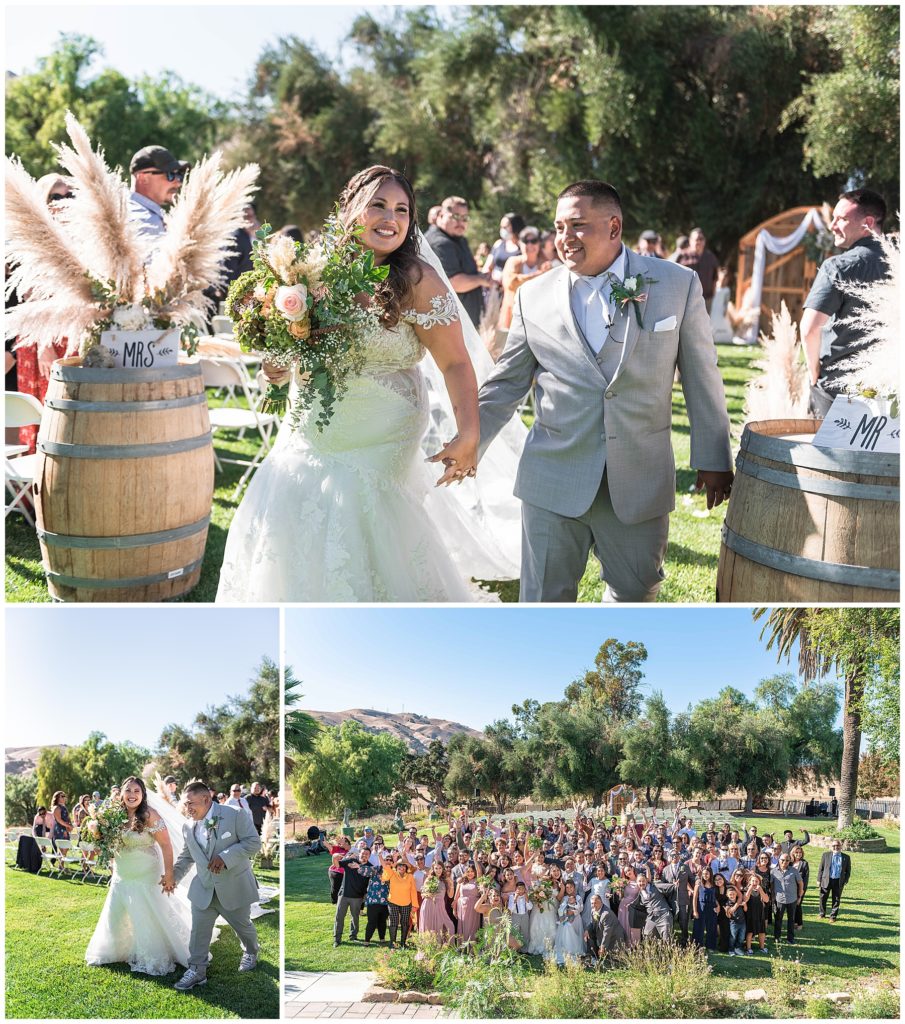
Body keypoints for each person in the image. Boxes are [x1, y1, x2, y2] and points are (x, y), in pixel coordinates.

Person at [217, 166, 518, 603]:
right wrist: (279, 364)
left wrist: (469, 433)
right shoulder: (310, 271)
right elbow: (300, 344)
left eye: (401, 209)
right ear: (349, 210)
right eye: (378, 204)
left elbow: (455, 362)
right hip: (310, 430)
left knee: (372, 530)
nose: (390, 218)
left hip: (381, 435)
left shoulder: (418, 281)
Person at [476, 179, 733, 602]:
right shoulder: (532, 296)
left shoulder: (676, 284)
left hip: (639, 479)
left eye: (577, 225)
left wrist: (714, 457)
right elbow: (507, 383)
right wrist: (470, 440)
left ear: (614, 227)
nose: (564, 239)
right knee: (542, 604)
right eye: (558, 227)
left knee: (634, 599)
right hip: (552, 479)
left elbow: (702, 377)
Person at [85, 777, 200, 976]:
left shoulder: (149, 815)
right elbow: (107, 842)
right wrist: (98, 835)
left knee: (147, 912)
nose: (132, 795)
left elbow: (165, 845)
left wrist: (170, 873)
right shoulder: (112, 816)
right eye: (128, 790)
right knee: (118, 911)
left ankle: (153, 953)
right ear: (121, 794)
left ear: (143, 794)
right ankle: (116, 949)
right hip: (123, 872)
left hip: (146, 873)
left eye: (136, 791)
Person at [800, 189, 888, 417]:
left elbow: (809, 329)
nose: (832, 226)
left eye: (841, 219)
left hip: (835, 392)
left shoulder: (838, 266)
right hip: (889, 392)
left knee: (823, 453)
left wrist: (814, 373)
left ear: (868, 223)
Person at [169, 780, 261, 990]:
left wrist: (225, 856)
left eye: (192, 803)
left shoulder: (235, 815)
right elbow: (187, 856)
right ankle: (197, 970)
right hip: (204, 887)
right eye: (186, 804)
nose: (188, 808)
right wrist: (173, 877)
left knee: (243, 927)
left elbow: (253, 843)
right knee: (198, 932)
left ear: (206, 799)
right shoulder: (188, 826)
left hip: (233, 885)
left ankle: (251, 951)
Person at [425, 195, 495, 328]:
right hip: (451, 326)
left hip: (463, 323)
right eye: (456, 216)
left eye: (465, 218)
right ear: (441, 216)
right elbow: (454, 283)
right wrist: (481, 279)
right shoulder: (441, 243)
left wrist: (480, 275)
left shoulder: (458, 239)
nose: (461, 222)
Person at [127, 145, 189, 247]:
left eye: (179, 175)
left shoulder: (131, 210)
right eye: (170, 175)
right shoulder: (147, 220)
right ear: (143, 178)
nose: (178, 183)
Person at [498, 226, 551, 330]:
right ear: (519, 243)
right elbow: (511, 284)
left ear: (539, 244)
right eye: (525, 241)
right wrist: (537, 275)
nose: (530, 244)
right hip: (513, 318)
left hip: (538, 319)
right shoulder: (513, 261)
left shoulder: (546, 264)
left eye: (534, 241)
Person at [676, 228, 720, 312]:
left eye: (701, 239)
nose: (698, 242)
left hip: (706, 300)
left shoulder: (710, 257)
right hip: (686, 300)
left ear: (705, 241)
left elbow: (715, 278)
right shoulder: (682, 256)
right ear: (690, 241)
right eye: (696, 239)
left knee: (703, 324)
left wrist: (712, 297)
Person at [770, 852, 803, 944]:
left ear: (789, 861)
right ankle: (777, 937)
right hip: (779, 899)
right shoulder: (773, 871)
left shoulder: (794, 871)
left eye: (787, 860)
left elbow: (800, 883)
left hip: (792, 899)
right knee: (778, 919)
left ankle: (790, 938)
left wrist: (799, 896)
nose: (784, 862)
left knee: (791, 920)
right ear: (779, 860)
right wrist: (772, 897)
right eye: (782, 860)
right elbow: (771, 885)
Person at [483, 212, 525, 284]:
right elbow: (487, 267)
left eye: (505, 227)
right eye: (501, 227)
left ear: (515, 226)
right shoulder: (498, 244)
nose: (502, 230)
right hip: (494, 286)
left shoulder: (524, 247)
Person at [661, 849, 691, 945]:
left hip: (683, 898)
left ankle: (685, 941)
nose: (674, 856)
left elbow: (692, 879)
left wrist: (697, 885)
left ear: (679, 856)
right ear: (669, 857)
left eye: (676, 854)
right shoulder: (665, 869)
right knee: (670, 921)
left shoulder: (685, 867)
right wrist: (671, 885)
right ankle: (671, 941)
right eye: (672, 855)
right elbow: (663, 885)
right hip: (671, 899)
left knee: (683, 920)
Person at [817, 839, 851, 922]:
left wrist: (845, 880)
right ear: (831, 846)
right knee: (823, 898)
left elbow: (848, 870)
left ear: (841, 846)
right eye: (834, 846)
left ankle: (833, 916)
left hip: (838, 881)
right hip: (826, 880)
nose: (836, 847)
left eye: (838, 845)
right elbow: (821, 868)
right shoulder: (826, 855)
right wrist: (819, 879)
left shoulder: (846, 857)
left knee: (836, 899)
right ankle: (822, 913)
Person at [790, 843, 810, 931]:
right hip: (790, 888)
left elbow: (805, 879)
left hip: (800, 888)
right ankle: (794, 922)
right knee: (791, 906)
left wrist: (801, 892)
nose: (798, 854)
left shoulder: (804, 863)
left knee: (798, 905)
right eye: (796, 852)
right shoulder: (789, 863)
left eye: (800, 852)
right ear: (793, 853)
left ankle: (799, 923)